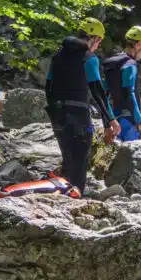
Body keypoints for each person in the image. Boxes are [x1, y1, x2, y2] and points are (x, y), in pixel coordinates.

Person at [45, 17, 120, 195]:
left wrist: (55, 109)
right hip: (78, 113)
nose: (97, 46)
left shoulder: (58, 55)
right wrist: (110, 120)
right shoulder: (89, 58)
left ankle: (63, 193)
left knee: (68, 158)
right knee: (80, 159)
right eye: (99, 41)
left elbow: (48, 86)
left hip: (57, 112)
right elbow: (97, 91)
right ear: (94, 38)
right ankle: (75, 198)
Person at [102, 26, 141, 143]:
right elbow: (129, 94)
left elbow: (104, 97)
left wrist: (107, 124)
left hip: (116, 121)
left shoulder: (111, 64)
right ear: (139, 45)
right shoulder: (130, 65)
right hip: (131, 123)